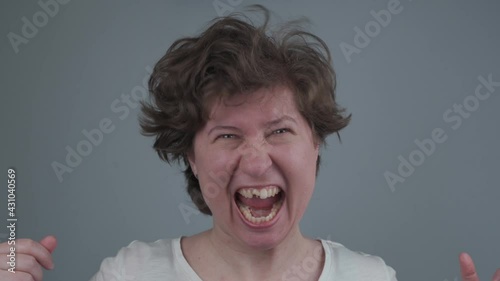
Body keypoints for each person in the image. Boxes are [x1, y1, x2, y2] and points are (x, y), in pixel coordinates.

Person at [1, 5, 499, 281]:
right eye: (227, 135)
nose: (256, 161)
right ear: (191, 157)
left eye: (280, 130)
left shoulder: (370, 278)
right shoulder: (131, 274)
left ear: (316, 144)